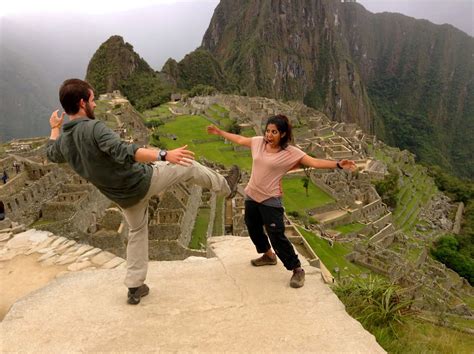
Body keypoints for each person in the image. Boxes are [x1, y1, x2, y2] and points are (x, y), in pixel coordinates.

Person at [46, 78, 241, 305]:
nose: (96, 104)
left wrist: (54, 128)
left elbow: (50, 152)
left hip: (122, 197)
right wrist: (163, 155)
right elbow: (125, 150)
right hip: (141, 182)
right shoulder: (94, 128)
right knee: (189, 166)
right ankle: (227, 188)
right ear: (82, 103)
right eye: (92, 99)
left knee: (137, 230)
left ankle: (135, 286)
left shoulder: (65, 141)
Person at [207, 115, 356, 288]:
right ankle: (268, 255)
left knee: (276, 235)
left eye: (274, 132)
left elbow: (314, 162)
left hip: (270, 199)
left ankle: (297, 269)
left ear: (283, 134)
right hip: (252, 195)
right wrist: (219, 132)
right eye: (268, 131)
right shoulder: (258, 143)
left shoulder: (290, 153)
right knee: (252, 227)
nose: (269, 135)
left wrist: (338, 164)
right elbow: (240, 139)